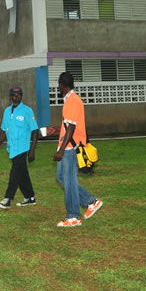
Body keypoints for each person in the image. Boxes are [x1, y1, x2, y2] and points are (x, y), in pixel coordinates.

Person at [46, 72, 103, 227]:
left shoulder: (72, 101)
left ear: (62, 85)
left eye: (58, 85)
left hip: (70, 148)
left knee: (69, 180)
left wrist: (61, 150)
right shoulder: (71, 100)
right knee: (61, 177)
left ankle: (73, 216)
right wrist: (57, 130)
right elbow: (68, 126)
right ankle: (91, 201)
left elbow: (71, 127)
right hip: (67, 145)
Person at [0, 86, 39, 209]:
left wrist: (32, 150)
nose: (15, 96)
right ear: (10, 97)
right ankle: (30, 197)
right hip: (12, 147)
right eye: (13, 94)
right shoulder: (7, 111)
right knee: (22, 173)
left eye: (18, 94)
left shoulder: (27, 111)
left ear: (21, 96)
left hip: (22, 148)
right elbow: (3, 131)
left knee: (14, 174)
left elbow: (35, 131)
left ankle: (7, 199)